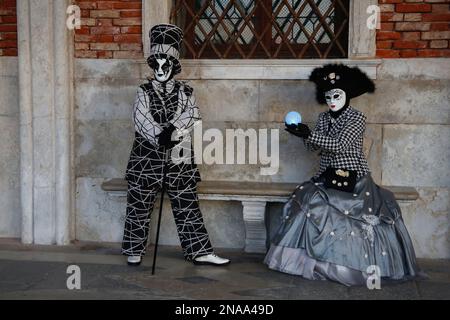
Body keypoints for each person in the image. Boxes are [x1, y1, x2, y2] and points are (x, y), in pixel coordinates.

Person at [264, 64, 420, 286]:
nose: (332, 100)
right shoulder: (323, 118)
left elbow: (340, 145)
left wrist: (311, 134)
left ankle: (343, 266)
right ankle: (303, 262)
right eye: (328, 96)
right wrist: (303, 135)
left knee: (344, 216)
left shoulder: (356, 118)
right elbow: (314, 149)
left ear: (347, 95)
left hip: (353, 180)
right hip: (326, 177)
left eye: (336, 95)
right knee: (307, 202)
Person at [121, 24, 230, 267]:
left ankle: (199, 250)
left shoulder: (186, 91)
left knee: (187, 205)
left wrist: (173, 130)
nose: (161, 68)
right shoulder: (143, 91)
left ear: (173, 66)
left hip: (179, 157)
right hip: (145, 157)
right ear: (152, 63)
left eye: (166, 63)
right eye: (157, 62)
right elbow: (140, 118)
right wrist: (158, 135)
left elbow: (192, 114)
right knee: (139, 203)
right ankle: (134, 248)